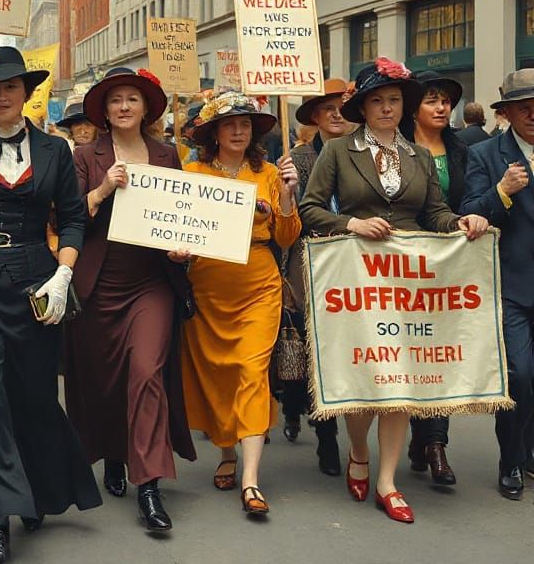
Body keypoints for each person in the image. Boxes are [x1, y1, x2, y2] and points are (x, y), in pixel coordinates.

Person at [300, 58, 488, 523]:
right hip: (358, 278)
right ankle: (358, 450)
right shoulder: (339, 151)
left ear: (403, 106)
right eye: (377, 100)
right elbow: (310, 209)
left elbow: (435, 213)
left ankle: (386, 479)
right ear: (363, 108)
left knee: (400, 376)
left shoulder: (419, 155)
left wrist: (461, 222)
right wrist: (353, 223)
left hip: (408, 284)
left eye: (394, 100)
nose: (387, 108)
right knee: (366, 374)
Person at [0, 45, 101, 564]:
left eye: (11, 87)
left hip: (36, 283)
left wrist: (64, 273)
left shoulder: (54, 151)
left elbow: (73, 218)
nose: (2, 95)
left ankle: (34, 485)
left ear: (26, 94)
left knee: (30, 396)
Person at [65, 67, 196, 531]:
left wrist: (182, 248)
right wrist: (102, 189)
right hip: (99, 285)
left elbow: (184, 216)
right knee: (104, 381)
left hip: (150, 284)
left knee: (146, 374)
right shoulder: (85, 155)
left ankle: (150, 485)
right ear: (104, 110)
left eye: (132, 99)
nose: (124, 106)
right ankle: (115, 456)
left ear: (146, 109)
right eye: (116, 99)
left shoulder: (166, 154)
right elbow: (66, 217)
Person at [177, 90, 300, 517]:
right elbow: (178, 230)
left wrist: (287, 195)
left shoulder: (270, 172)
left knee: (251, 371)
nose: (238, 130)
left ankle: (250, 478)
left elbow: (287, 237)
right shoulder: (191, 172)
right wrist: (176, 249)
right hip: (208, 288)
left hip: (259, 285)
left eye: (245, 124)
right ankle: (225, 452)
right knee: (218, 375)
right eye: (229, 124)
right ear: (213, 132)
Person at [460, 69, 534, 500]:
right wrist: (502, 192)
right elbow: (471, 211)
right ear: (505, 113)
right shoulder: (487, 155)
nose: (532, 114)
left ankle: (528, 451)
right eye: (524, 107)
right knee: (520, 376)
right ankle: (510, 460)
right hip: (511, 285)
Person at [399, 71, 469, 487]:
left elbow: (470, 196)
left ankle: (436, 444)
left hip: (450, 265)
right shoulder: (397, 149)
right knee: (411, 352)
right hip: (403, 266)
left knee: (438, 353)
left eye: (446, 101)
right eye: (432, 101)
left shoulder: (463, 148)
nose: (442, 108)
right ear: (414, 109)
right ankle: (418, 434)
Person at [284, 78, 352, 476]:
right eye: (328, 109)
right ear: (314, 117)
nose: (336, 114)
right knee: (313, 349)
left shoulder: (365, 153)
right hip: (311, 259)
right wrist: (288, 190)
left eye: (341, 106)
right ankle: (323, 434)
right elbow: (293, 219)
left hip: (354, 263)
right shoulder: (300, 159)